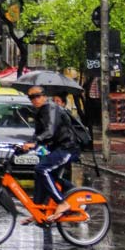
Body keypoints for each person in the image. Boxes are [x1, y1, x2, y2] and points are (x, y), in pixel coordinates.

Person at [22, 86, 80, 222]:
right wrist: (25, 146)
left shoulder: (51, 108)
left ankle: (62, 203)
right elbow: (37, 134)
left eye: (36, 96)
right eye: (31, 97)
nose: (34, 100)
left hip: (67, 147)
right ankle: (39, 209)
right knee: (43, 175)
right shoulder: (40, 112)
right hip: (56, 148)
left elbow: (49, 132)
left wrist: (35, 142)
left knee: (42, 169)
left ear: (44, 96)